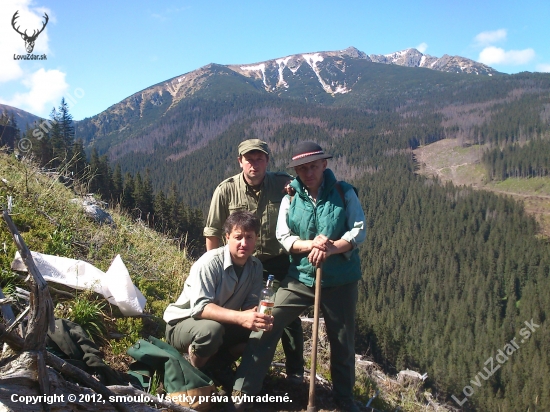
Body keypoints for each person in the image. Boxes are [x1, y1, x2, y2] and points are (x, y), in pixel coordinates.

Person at [230, 142, 366, 412]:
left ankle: (344, 398)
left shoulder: (344, 192)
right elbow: (284, 236)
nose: (308, 172)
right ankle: (243, 392)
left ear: (324, 165)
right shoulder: (290, 197)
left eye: (313, 166)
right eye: (302, 168)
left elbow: (358, 230)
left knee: (342, 340)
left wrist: (330, 247)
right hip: (301, 277)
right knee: (267, 321)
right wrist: (311, 246)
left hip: (340, 280)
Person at [203, 139, 304, 382]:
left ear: (267, 161)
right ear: (240, 162)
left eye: (260, 159)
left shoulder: (283, 184)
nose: (254, 164)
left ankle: (295, 372)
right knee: (234, 310)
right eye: (249, 159)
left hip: (276, 263)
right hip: (240, 263)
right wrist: (214, 266)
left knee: (284, 313)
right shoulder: (225, 190)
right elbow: (212, 232)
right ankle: (220, 361)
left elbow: (308, 197)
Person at [163, 211, 273, 379]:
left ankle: (217, 367)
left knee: (259, 332)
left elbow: (250, 304)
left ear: (256, 239)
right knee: (211, 331)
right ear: (227, 237)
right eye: (238, 237)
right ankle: (197, 373)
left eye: (249, 237)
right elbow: (201, 308)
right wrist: (241, 318)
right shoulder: (210, 262)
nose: (244, 243)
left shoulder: (255, 266)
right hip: (183, 324)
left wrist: (257, 316)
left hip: (222, 323)